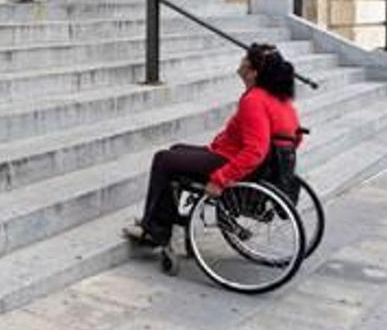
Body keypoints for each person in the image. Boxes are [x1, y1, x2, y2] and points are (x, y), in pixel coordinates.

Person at [123, 43, 302, 270]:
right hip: (231, 155)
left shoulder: (255, 100)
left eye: (246, 58)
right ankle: (161, 219)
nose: (242, 61)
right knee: (176, 150)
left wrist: (221, 179)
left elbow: (255, 150)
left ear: (253, 71)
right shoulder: (280, 99)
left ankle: (154, 230)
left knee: (163, 159)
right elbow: (294, 138)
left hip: (230, 161)